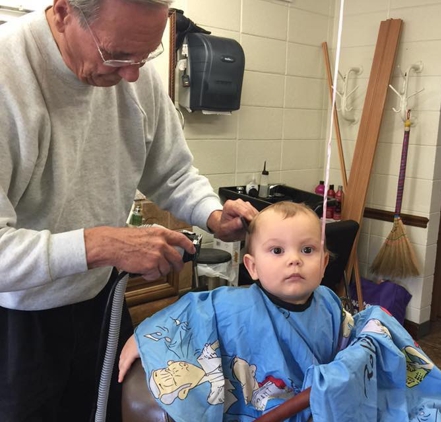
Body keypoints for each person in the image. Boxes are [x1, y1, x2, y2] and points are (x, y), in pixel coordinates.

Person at [0, 0, 257, 420]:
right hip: (17, 320)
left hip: (100, 302)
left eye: (146, 55)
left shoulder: (133, 73)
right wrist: (100, 244)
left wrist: (211, 214)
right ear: (64, 12)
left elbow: (172, 172)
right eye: (117, 55)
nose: (132, 75)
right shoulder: (9, 76)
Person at [119, 201, 441, 422]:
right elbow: (187, 315)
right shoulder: (230, 305)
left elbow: (351, 347)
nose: (293, 259)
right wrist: (142, 338)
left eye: (307, 249)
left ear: (325, 263)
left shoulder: (330, 302)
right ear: (251, 266)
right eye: (277, 250)